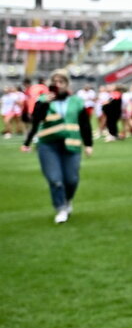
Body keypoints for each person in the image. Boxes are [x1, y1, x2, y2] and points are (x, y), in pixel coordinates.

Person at [21, 69, 93, 224]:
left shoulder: (77, 101)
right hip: (48, 145)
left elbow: (84, 124)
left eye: (61, 82)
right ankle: (60, 208)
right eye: (55, 82)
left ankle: (67, 200)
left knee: (72, 179)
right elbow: (36, 120)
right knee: (55, 179)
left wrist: (88, 144)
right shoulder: (43, 100)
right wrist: (44, 103)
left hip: (72, 144)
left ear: (67, 84)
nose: (58, 85)